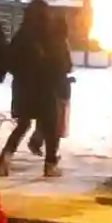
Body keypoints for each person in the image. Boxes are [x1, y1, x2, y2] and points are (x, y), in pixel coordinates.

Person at [0, 0, 69, 178]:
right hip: (46, 88)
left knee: (23, 124)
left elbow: (8, 60)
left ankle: (5, 157)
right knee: (50, 127)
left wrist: (21, 73)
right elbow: (64, 64)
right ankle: (50, 164)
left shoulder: (22, 35)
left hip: (23, 87)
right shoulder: (52, 36)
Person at [30, 10, 74, 158]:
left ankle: (38, 140)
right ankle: (51, 156)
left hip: (46, 87)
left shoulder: (46, 42)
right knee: (57, 123)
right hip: (60, 87)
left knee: (47, 118)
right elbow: (67, 66)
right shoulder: (61, 44)